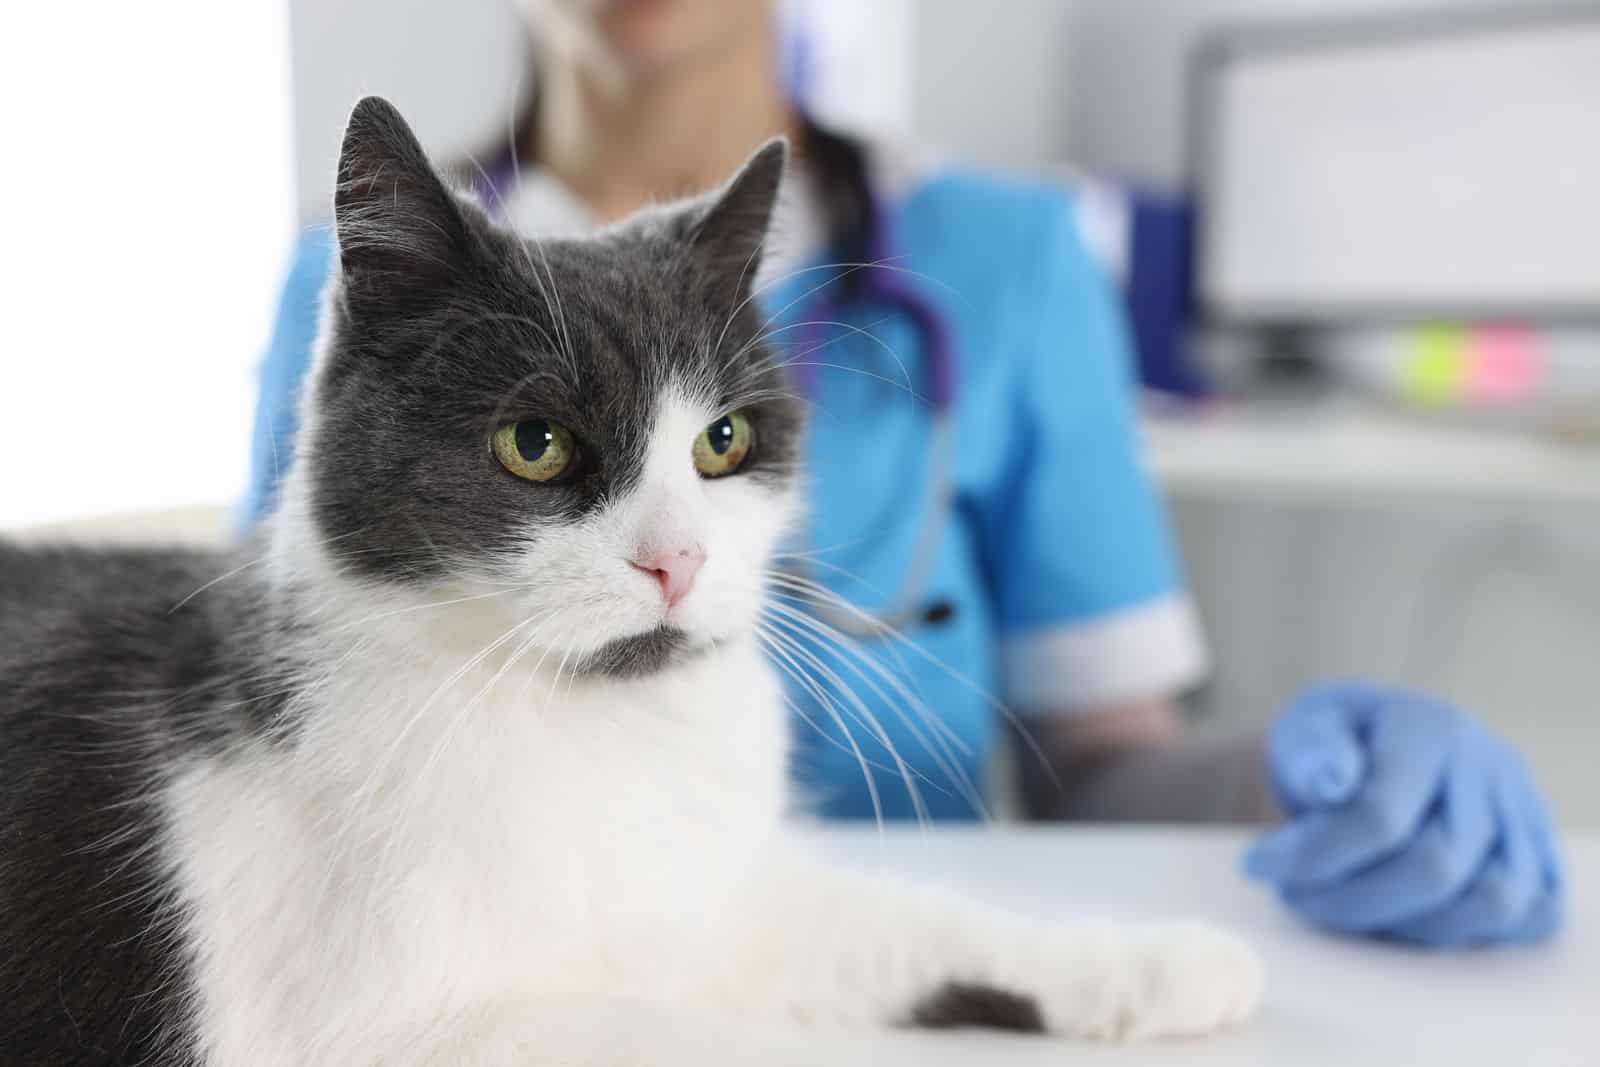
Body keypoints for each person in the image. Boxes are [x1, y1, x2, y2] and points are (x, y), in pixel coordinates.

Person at [243, 0, 1562, 948]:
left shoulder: (1008, 259)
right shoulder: (365, 286)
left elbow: (1095, 764)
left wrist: (1305, 784)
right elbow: (279, 717)